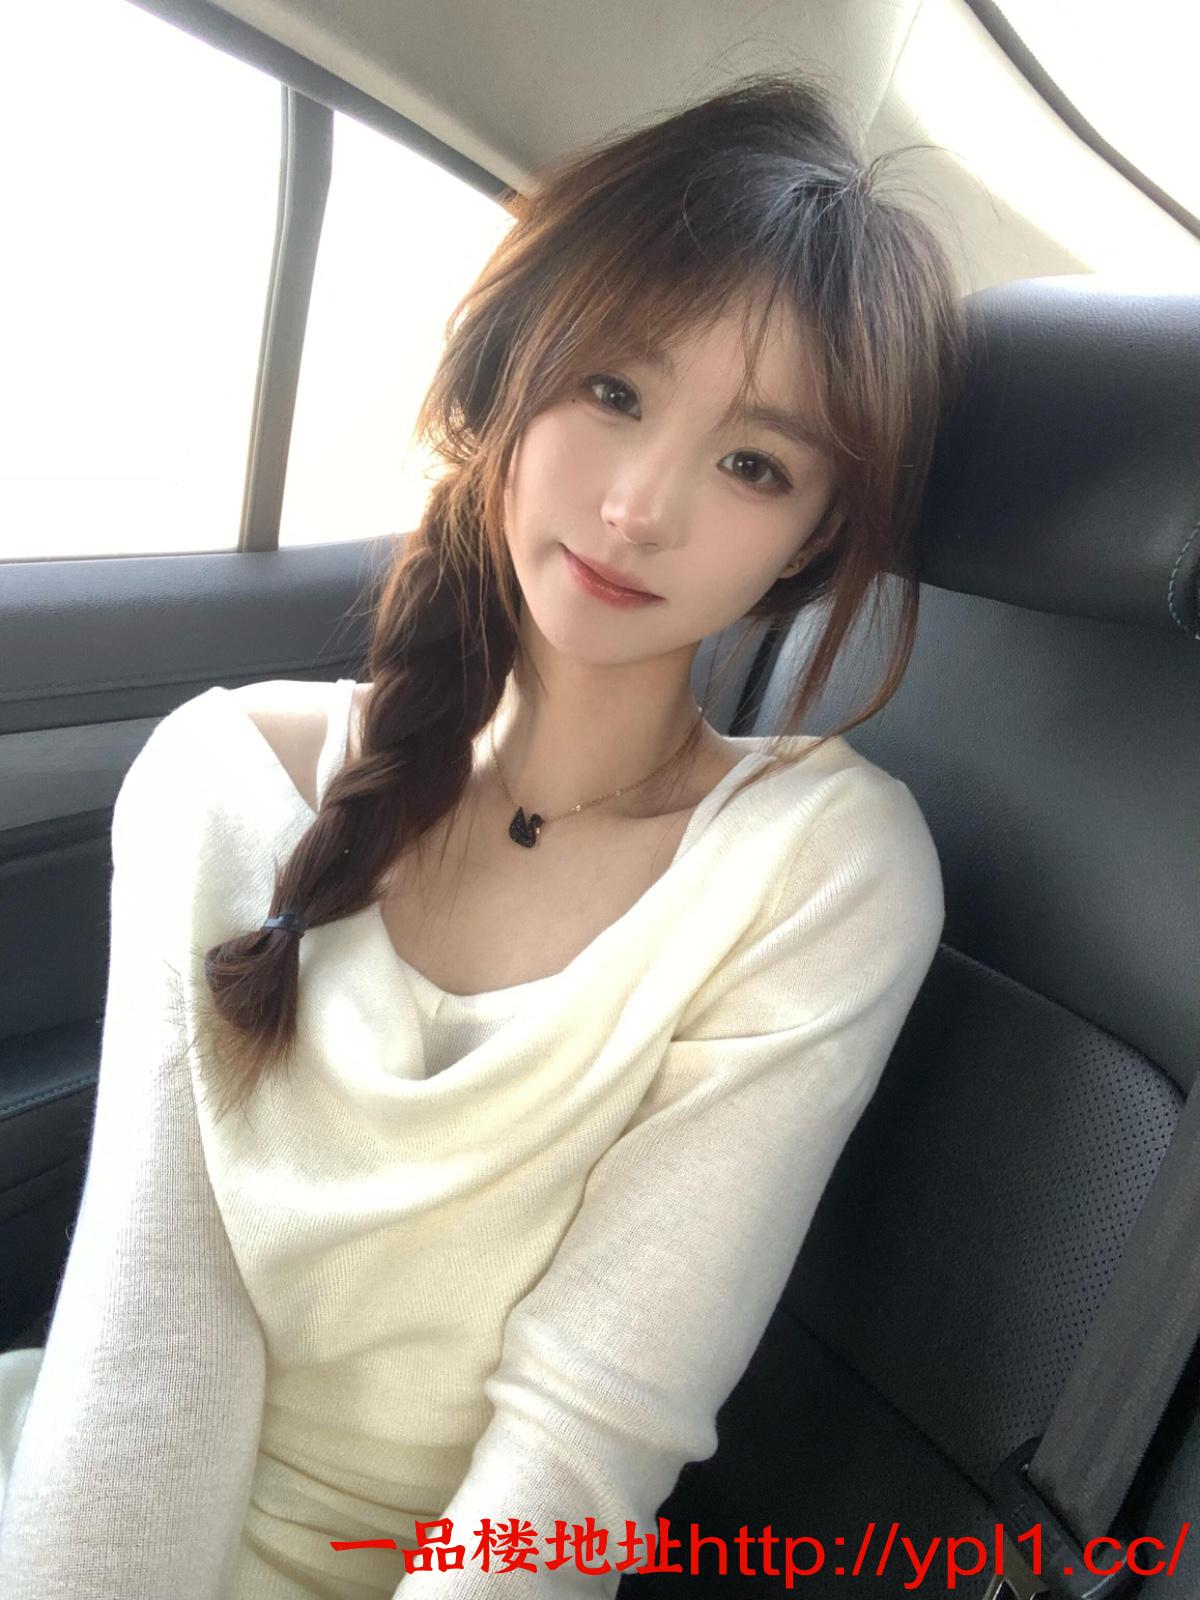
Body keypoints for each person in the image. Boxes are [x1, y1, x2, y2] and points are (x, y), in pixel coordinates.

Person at [0, 70, 966, 1599]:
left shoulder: (814, 876)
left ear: (816, 537)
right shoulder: (222, 777)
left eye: (754, 464)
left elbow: (583, 1445)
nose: (640, 506)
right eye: (614, 391)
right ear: (514, 369)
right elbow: (148, 1345)